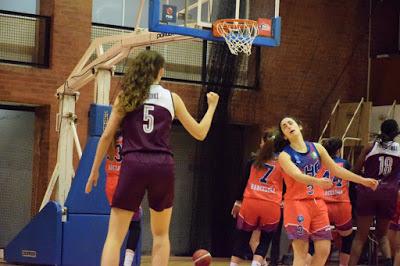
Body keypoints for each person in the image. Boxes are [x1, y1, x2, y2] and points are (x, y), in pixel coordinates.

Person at [85, 50, 219, 266]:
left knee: (114, 237)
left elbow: (107, 135)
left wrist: (93, 170)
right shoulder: (172, 98)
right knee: (160, 235)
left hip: (133, 163)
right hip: (162, 166)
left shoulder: (126, 96)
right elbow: (200, 133)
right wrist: (211, 107)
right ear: (161, 71)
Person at [276, 116, 378, 266]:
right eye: (284, 126)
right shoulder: (284, 156)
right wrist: (318, 181)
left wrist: (363, 181)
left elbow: (336, 169)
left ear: (299, 126)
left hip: (318, 204)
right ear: (285, 135)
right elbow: (297, 176)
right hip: (297, 204)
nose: (288, 126)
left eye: (290, 123)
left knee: (324, 250)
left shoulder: (317, 148)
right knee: (301, 252)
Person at [349, 119, 400, 266]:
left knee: (360, 237)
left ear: (381, 130)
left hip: (368, 192)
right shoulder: (399, 149)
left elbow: (356, 171)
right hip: (389, 194)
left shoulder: (370, 146)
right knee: (382, 235)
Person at [230, 128, 283, 266]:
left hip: (250, 203)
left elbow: (243, 181)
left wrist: (237, 201)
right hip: (271, 205)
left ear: (263, 143)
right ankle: (257, 263)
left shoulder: (254, 159)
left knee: (242, 239)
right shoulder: (284, 162)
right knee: (265, 240)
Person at [104, 132, 142, 266]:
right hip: (124, 182)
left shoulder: (108, 137)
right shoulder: (131, 138)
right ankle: (127, 263)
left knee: (116, 229)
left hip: (110, 184)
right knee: (135, 225)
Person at [318, 137, 354, 266]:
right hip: (341, 205)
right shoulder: (345, 163)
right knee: (347, 238)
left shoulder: (318, 163)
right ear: (338, 150)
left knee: (320, 239)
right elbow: (353, 186)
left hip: (322, 205)